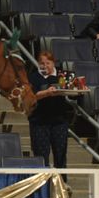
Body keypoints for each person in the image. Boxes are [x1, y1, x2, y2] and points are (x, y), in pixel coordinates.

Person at [27, 51, 71, 180]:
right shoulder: (32, 77)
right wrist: (46, 93)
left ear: (53, 63)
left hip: (59, 121)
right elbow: (30, 96)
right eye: (42, 63)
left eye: (48, 63)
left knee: (60, 156)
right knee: (41, 157)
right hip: (39, 122)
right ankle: (42, 188)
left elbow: (71, 90)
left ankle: (62, 187)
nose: (45, 65)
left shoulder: (63, 76)